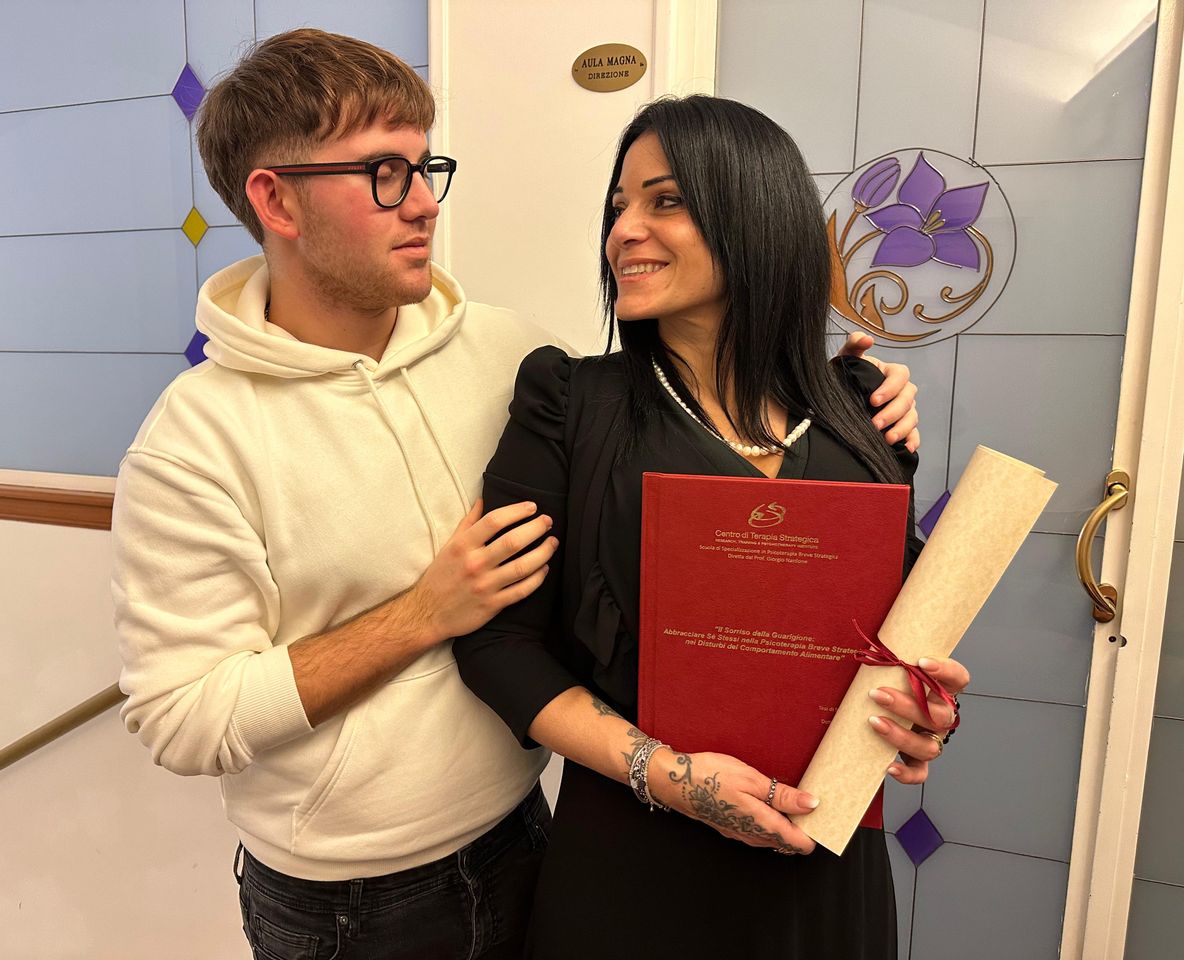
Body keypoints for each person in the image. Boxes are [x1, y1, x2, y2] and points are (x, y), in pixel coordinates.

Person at [111, 31, 922, 960]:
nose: (425, 203)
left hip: (526, 838)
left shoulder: (508, 355)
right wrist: (421, 615)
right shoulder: (193, 442)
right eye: (384, 173)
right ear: (275, 199)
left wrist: (851, 409)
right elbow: (182, 719)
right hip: (351, 906)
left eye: (425, 168)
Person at [453, 95, 968, 959]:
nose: (623, 231)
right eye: (618, 206)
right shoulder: (569, 404)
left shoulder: (864, 412)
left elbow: (899, 635)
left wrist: (927, 709)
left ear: (756, 213)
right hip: (635, 869)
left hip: (823, 869)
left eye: (665, 201)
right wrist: (669, 776)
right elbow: (497, 645)